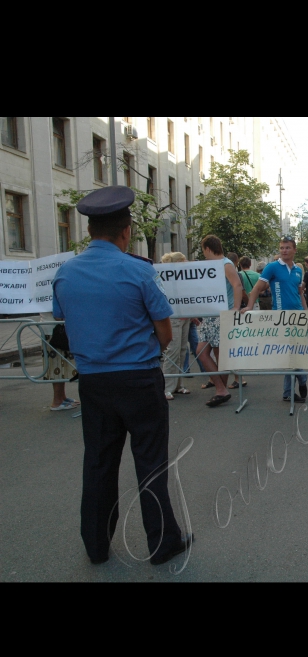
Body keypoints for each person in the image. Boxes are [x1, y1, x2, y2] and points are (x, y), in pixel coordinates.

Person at [52, 186, 192, 567]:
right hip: (139, 380)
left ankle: (96, 546)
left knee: (98, 463)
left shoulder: (65, 274)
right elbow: (164, 330)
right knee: (150, 463)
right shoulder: (138, 270)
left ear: (90, 229)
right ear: (126, 230)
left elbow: (60, 318)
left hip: (94, 383)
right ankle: (163, 543)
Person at [244, 237, 308, 403]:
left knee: (299, 354)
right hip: (281, 318)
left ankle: (301, 380)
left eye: (287, 248)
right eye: (282, 248)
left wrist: (307, 312)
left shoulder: (298, 270)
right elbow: (256, 289)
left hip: (298, 316)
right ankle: (289, 391)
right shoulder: (272, 267)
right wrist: (249, 307)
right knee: (290, 356)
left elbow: (300, 292)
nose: (284, 250)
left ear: (294, 250)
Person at [197, 235, 243, 408]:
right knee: (202, 352)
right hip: (210, 316)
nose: (204, 255)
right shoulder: (213, 265)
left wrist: (236, 308)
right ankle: (221, 388)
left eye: (204, 251)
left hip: (221, 315)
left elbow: (236, 285)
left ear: (208, 249)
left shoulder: (225, 264)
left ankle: (220, 391)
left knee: (218, 354)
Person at [160, 253, 192, 401]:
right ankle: (167, 387)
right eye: (183, 261)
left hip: (185, 317)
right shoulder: (167, 279)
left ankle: (179, 384)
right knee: (173, 351)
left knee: (182, 351)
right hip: (174, 318)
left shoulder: (184, 277)